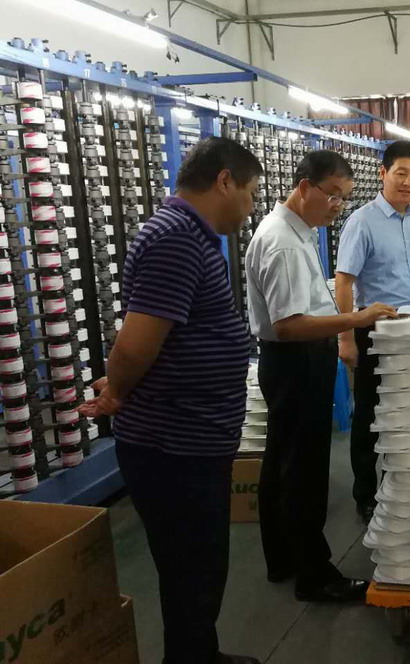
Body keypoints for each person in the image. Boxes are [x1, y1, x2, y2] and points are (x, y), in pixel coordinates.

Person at [79, 137, 262, 664]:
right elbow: (135, 344)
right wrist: (117, 390)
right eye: (250, 192)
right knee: (193, 570)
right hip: (174, 446)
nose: (251, 208)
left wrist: (122, 384)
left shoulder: (186, 236)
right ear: (224, 181)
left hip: (189, 438)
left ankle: (198, 654)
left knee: (196, 569)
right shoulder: (178, 237)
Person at [245, 150, 397, 601]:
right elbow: (288, 325)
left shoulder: (297, 231)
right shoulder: (284, 243)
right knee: (305, 471)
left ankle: (283, 559)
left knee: (282, 462)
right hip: (296, 361)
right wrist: (356, 320)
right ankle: (314, 575)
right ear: (304, 187)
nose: (337, 207)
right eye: (332, 195)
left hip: (292, 361)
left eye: (344, 198)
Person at [335, 140, 410, 524]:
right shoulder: (362, 221)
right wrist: (346, 338)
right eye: (400, 173)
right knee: (369, 415)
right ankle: (366, 494)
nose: (408, 182)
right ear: (383, 173)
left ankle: (404, 485)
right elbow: (344, 283)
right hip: (376, 330)